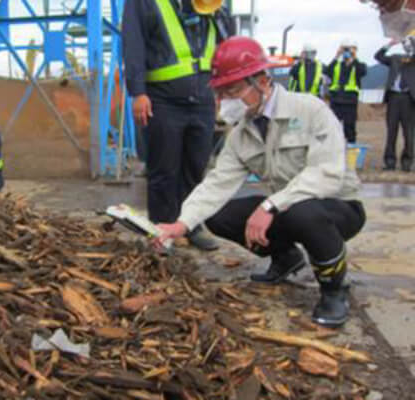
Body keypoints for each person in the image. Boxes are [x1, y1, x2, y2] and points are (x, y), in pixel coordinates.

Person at [155, 37, 366, 328]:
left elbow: (326, 174)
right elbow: (217, 183)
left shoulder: (310, 110)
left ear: (263, 81)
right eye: (221, 93)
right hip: (285, 208)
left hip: (338, 207)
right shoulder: (242, 134)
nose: (225, 101)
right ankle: (286, 257)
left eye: (234, 90)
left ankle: (333, 288)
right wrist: (182, 223)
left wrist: (269, 205)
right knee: (217, 215)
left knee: (303, 211)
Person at [122, 0, 235, 251]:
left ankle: (191, 225)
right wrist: (137, 92)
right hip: (161, 99)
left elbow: (226, 47)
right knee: (164, 169)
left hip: (203, 99)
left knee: (195, 167)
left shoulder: (212, 6)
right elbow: (133, 45)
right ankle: (161, 229)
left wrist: (225, 91)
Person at [375, 35, 415, 172]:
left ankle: (407, 163)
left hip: (408, 99)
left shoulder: (413, 60)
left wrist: (412, 42)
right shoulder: (395, 58)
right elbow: (378, 56)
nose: (406, 45)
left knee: (408, 133)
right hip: (393, 97)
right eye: (405, 43)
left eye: (408, 43)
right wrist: (390, 44)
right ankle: (390, 162)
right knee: (391, 132)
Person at [326, 39, 367, 143]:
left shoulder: (358, 65)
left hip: (350, 102)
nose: (347, 52)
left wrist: (354, 57)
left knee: (349, 128)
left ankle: (350, 151)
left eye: (349, 49)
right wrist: (337, 55)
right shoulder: (337, 65)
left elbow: (362, 72)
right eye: (345, 49)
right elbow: (326, 71)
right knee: (332, 128)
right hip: (336, 101)